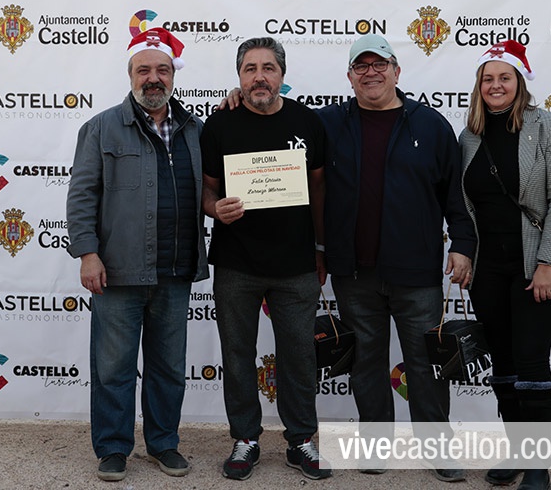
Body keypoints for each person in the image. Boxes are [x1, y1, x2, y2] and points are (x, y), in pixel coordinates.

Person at [319, 35, 476, 481]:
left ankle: (438, 447)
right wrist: (236, 100)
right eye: (361, 65)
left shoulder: (431, 125)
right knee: (366, 363)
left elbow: (456, 195)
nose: (371, 72)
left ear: (396, 71)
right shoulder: (328, 123)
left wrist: (463, 245)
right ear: (350, 76)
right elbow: (275, 122)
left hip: (417, 272)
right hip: (354, 272)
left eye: (380, 64)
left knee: (426, 365)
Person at [66, 27, 209, 482]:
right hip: (118, 272)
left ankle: (164, 443)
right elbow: (82, 195)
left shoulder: (195, 130)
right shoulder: (102, 127)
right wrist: (87, 253)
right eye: (143, 70)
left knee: (169, 368)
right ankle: (113, 448)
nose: (153, 78)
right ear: (130, 75)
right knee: (113, 369)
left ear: (173, 76)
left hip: (175, 271)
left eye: (162, 70)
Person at [201, 37, 331, 481]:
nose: (259, 77)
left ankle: (301, 439)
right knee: (238, 354)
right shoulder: (219, 124)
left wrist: (320, 248)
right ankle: (245, 438)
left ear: (282, 74)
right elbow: (206, 190)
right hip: (236, 263)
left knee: (299, 355)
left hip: (296, 265)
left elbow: (318, 189)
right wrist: (214, 209)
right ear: (239, 76)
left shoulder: (307, 122)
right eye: (250, 69)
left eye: (268, 68)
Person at [459, 40, 551, 490]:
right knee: (504, 363)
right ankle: (517, 450)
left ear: (520, 82)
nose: (495, 85)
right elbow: (465, 205)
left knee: (531, 362)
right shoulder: (469, 136)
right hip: (488, 269)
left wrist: (548, 263)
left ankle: (539, 465)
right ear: (478, 86)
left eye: (504, 77)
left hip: (536, 266)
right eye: (487, 78)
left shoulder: (550, 127)